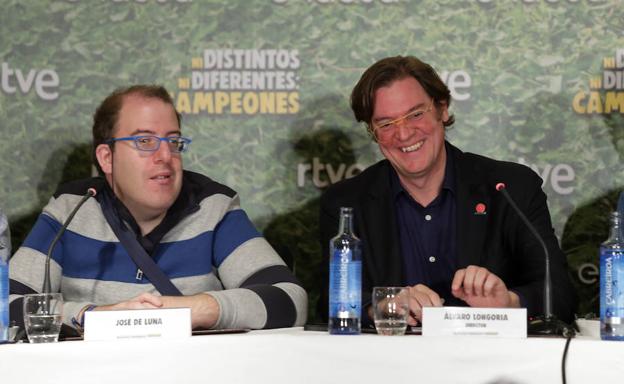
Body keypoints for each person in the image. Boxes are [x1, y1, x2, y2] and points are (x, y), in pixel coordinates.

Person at [9, 85, 307, 333]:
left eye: (173, 141)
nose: (165, 155)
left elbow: (291, 300)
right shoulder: (71, 209)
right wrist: (93, 316)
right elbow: (3, 305)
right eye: (145, 141)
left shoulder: (212, 207)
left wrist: (195, 309)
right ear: (106, 158)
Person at [319, 55, 577, 327]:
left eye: (416, 114)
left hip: (493, 361)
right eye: (386, 124)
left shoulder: (509, 188)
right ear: (373, 132)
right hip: (389, 364)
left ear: (442, 108)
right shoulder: (346, 203)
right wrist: (383, 306)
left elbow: (561, 294)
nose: (404, 134)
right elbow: (329, 302)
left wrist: (508, 303)